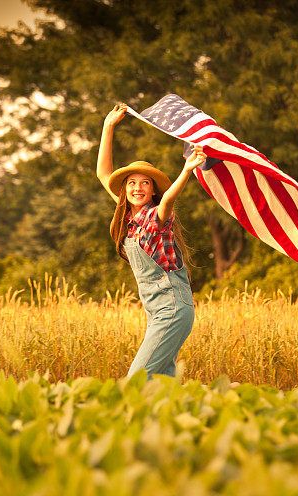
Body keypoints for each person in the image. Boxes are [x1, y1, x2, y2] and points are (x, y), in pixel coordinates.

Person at [96, 102, 206, 379]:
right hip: (157, 313)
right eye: (132, 183)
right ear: (125, 190)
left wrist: (187, 170)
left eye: (145, 183)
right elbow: (102, 174)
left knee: (137, 379)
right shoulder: (127, 218)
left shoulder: (155, 217)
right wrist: (108, 128)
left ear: (153, 190)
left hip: (173, 310)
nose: (138, 188)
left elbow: (169, 200)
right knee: (161, 385)